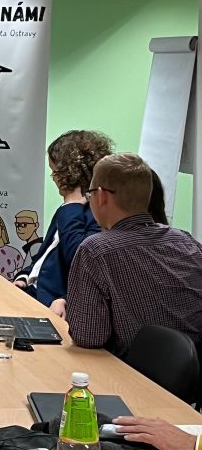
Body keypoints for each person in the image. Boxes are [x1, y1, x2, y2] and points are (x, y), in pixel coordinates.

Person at [57, 152, 202, 356]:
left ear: (102, 196)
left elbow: (88, 337)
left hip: (127, 371)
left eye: (90, 194)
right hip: (190, 371)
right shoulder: (186, 241)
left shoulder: (95, 250)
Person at [14, 129, 114, 307]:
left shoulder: (95, 212)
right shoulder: (67, 208)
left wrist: (71, 206)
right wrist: (24, 275)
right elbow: (47, 253)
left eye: (54, 172)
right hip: (32, 290)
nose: (53, 179)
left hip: (51, 303)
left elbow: (79, 258)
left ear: (68, 173)